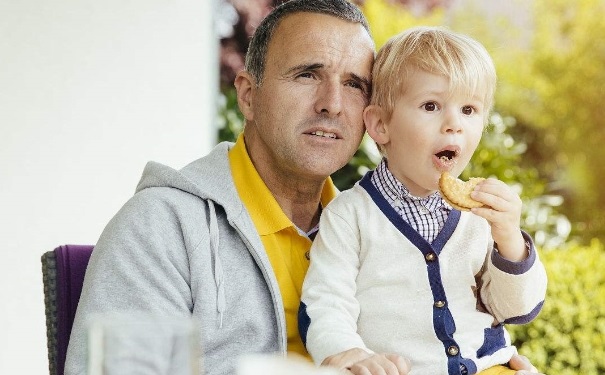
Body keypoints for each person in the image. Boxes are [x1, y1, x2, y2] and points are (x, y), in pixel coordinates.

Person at [65, 1, 542, 374]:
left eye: (355, 84)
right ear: (249, 95)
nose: (332, 103)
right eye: (307, 75)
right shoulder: (163, 230)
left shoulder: (373, 224)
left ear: (372, 116)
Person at [299, 26, 547, 375]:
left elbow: (516, 310)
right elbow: (325, 303)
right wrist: (348, 355)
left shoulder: (479, 216)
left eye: (469, 110)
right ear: (381, 124)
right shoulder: (350, 215)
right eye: (431, 105)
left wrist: (510, 242)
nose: (454, 124)